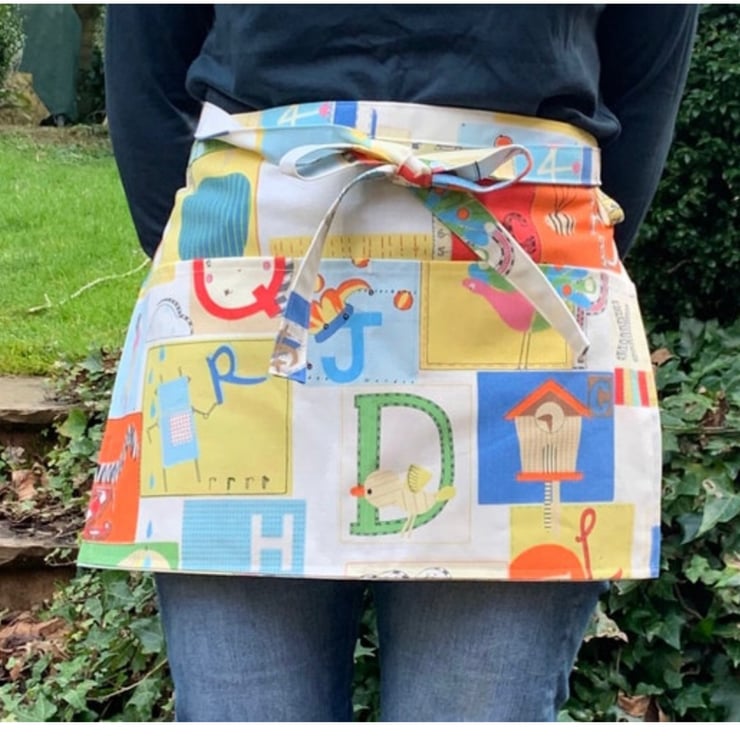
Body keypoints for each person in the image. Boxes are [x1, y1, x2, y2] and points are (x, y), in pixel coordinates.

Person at [78, 4, 699, 722]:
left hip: (523, 298)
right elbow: (148, 68)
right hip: (253, 303)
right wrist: (217, 255)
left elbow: (644, 69)